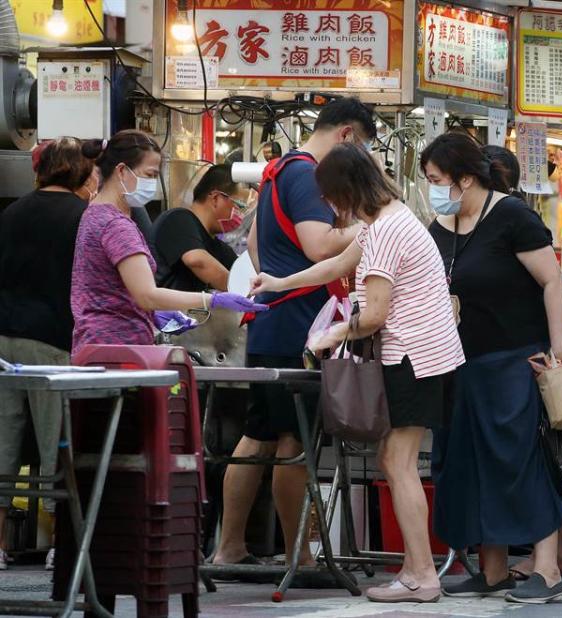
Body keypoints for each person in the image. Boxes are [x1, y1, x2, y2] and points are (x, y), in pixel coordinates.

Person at [250, 143, 464, 602]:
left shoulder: (385, 231)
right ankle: (415, 570)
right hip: (426, 356)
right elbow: (338, 264)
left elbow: (375, 314)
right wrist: (279, 282)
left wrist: (332, 335)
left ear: (345, 190)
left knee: (397, 463)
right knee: (394, 460)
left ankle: (423, 576)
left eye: (329, 196)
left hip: (413, 357)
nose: (329, 206)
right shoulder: (388, 219)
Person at [212, 97, 376, 569]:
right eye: (361, 146)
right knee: (294, 440)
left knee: (258, 433)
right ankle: (298, 556)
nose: (359, 159)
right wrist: (372, 226)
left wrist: (278, 281)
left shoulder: (277, 169)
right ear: (346, 134)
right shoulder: (307, 174)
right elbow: (318, 244)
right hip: (298, 325)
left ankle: (230, 547)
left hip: (271, 317)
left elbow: (255, 247)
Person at [423, 132, 562, 604]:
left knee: (520, 459)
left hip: (515, 358)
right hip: (459, 364)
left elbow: (551, 283)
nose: (433, 187)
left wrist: (558, 348)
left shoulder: (512, 217)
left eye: (437, 179)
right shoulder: (441, 225)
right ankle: (493, 570)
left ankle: (547, 570)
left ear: (466, 179)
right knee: (468, 463)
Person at [70, 130, 265, 355]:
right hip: (117, 347)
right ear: (122, 171)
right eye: (150, 174)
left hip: (96, 343)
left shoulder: (93, 214)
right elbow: (147, 295)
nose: (152, 184)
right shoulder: (116, 225)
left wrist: (154, 314)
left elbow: (114, 290)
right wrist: (213, 300)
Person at [0, 137, 98, 571]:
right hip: (54, 341)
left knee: (3, 446)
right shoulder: (84, 217)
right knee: (57, 445)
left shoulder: (11, 212)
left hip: (4, 337)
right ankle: (62, 544)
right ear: (78, 172)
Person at [150, 164, 242, 292]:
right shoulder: (177, 219)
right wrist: (241, 290)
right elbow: (197, 261)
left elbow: (242, 275)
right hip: (165, 311)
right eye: (239, 205)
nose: (240, 213)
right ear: (216, 198)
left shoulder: (220, 249)